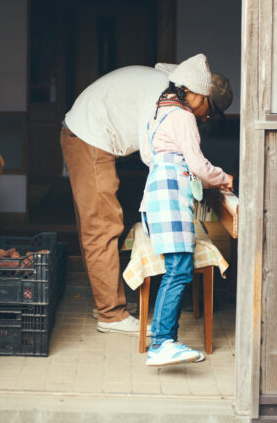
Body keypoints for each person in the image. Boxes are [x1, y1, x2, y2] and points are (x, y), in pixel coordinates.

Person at [60, 55, 232, 335]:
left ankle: (104, 304)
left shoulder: (170, 90)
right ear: (200, 95)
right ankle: (111, 315)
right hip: (89, 135)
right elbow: (153, 154)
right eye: (208, 111)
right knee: (102, 226)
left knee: (97, 225)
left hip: (88, 133)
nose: (204, 118)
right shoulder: (163, 95)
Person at [140, 53, 233, 366]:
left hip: (157, 194)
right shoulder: (183, 116)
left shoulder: (160, 111)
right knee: (179, 269)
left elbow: (153, 157)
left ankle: (164, 338)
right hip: (169, 199)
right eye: (207, 103)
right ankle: (162, 343)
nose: (206, 113)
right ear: (193, 93)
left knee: (175, 269)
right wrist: (224, 178)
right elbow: (198, 166)